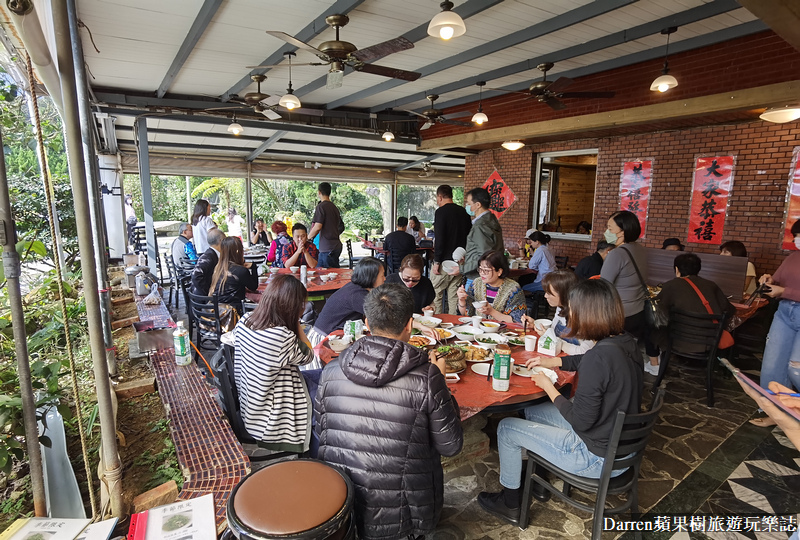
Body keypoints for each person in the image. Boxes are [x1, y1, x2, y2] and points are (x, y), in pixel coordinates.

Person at [477, 279, 643, 525]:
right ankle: (539, 484)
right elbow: (586, 359)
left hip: (595, 455)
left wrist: (548, 386)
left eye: (573, 311)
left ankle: (510, 503)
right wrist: (554, 362)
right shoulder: (624, 342)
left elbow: (580, 420)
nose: (569, 316)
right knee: (532, 409)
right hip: (618, 444)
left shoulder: (599, 359)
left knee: (507, 428)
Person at [314, 283, 463, 540]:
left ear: (367, 324)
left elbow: (322, 431)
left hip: (342, 497)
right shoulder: (427, 377)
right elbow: (451, 446)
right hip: (405, 510)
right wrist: (442, 384)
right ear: (409, 325)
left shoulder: (331, 370)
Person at [233, 274, 315, 452]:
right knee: (328, 389)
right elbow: (309, 355)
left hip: (252, 407)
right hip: (271, 421)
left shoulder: (245, 321)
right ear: (292, 307)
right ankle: (317, 448)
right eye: (301, 305)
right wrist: (296, 322)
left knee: (318, 377)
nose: (303, 309)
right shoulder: (280, 336)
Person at [750, 219, 800, 427]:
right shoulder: (792, 257)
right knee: (772, 365)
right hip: (784, 313)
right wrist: (768, 281)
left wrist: (785, 292)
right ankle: (776, 412)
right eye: (796, 235)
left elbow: (784, 289)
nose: (797, 240)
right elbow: (776, 281)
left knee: (795, 369)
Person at [600, 210, 660, 374]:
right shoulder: (639, 249)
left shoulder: (617, 254)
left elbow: (603, 286)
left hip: (619, 313)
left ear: (622, 231)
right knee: (627, 348)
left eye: (610, 228)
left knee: (611, 351)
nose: (607, 232)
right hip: (638, 311)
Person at [652, 253, 734, 366]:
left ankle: (655, 363)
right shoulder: (711, 285)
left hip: (679, 341)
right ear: (698, 269)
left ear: (677, 269)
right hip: (711, 342)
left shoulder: (671, 285)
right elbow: (729, 310)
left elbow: (658, 311)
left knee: (653, 324)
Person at [307, 257, 386, 346]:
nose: (384, 279)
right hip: (323, 339)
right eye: (382, 275)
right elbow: (381, 316)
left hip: (329, 334)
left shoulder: (354, 287)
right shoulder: (357, 295)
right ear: (371, 277)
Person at [522, 270, 595, 355]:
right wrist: (535, 324)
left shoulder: (584, 317)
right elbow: (553, 332)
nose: (545, 296)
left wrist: (557, 342)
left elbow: (584, 352)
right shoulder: (561, 308)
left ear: (565, 294)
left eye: (549, 293)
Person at [431, 184, 471, 315]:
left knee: (436, 293)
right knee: (454, 296)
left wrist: (436, 262)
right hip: (460, 262)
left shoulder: (440, 212)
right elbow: (469, 236)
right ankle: (453, 324)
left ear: (440, 197)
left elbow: (440, 238)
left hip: (444, 262)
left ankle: (436, 323)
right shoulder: (464, 212)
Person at [449, 187, 503, 282]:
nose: (467, 206)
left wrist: (462, 269)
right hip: (488, 275)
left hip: (477, 277)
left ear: (478, 205)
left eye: (469, 204)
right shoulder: (491, 220)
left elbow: (485, 256)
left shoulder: (480, 226)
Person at [456, 250, 526, 324]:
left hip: (503, 332)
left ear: (499, 272)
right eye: (480, 269)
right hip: (478, 330)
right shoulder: (476, 284)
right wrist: (461, 300)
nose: (482, 273)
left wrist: (491, 312)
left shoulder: (513, 289)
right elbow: (465, 313)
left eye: (486, 270)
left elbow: (518, 320)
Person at [208, 236, 259, 314]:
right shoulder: (241, 271)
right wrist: (254, 267)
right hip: (232, 313)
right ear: (238, 251)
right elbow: (253, 287)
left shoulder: (218, 268)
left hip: (215, 312)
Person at [309, 182, 343, 268]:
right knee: (334, 275)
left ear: (319, 192)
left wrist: (307, 238)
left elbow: (317, 227)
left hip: (327, 248)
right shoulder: (334, 207)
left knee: (324, 276)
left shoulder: (321, 206)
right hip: (336, 246)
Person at [191, 228, 225, 295]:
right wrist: (207, 293)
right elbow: (196, 276)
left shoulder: (214, 253)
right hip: (204, 297)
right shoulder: (208, 256)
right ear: (221, 240)